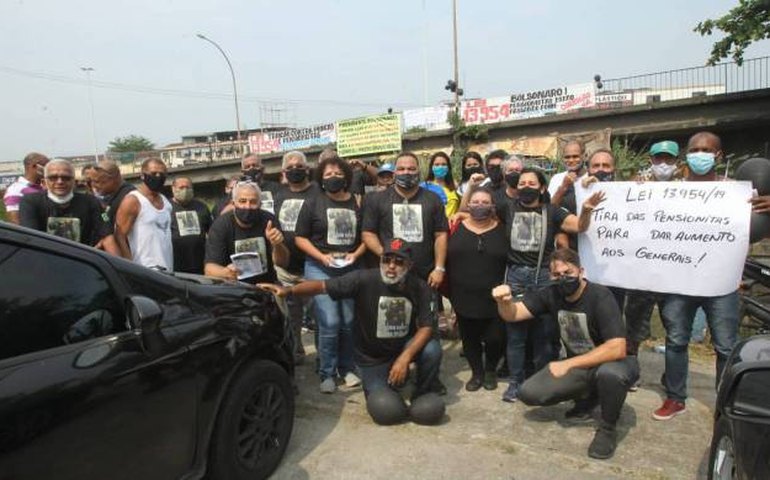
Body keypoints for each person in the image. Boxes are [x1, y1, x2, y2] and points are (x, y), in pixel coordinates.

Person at [263, 238, 443, 424]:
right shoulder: (363, 279)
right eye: (386, 259)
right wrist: (288, 291)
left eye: (399, 262)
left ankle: (422, 391)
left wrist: (405, 358)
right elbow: (322, 286)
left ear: (409, 265)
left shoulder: (420, 287)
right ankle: (389, 381)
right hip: (373, 358)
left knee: (432, 349)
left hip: (402, 348)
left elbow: (426, 327)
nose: (391, 266)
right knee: (388, 412)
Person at [492, 248, 639, 460]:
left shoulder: (600, 296)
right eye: (557, 275)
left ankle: (607, 429)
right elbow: (513, 315)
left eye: (568, 273)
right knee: (529, 393)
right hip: (583, 365)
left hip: (618, 362)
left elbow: (617, 347)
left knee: (609, 375)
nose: (563, 279)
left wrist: (568, 364)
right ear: (550, 276)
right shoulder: (551, 294)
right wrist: (503, 302)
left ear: (581, 271)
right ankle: (589, 396)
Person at [652, 131, 740, 421]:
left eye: (706, 150)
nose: (700, 155)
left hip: (721, 282)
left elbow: (749, 231)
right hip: (681, 281)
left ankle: (726, 404)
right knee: (676, 340)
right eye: (694, 150)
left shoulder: (736, 192)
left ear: (718, 156)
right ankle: (675, 398)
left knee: (725, 346)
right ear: (686, 155)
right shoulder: (672, 191)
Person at [501, 167, 606, 403]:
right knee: (515, 335)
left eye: (531, 183)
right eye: (522, 183)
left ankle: (542, 380)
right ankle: (515, 382)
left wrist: (586, 210)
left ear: (542, 188)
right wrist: (462, 214)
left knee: (545, 334)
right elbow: (477, 213)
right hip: (515, 276)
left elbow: (579, 226)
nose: (526, 187)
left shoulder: (552, 211)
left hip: (544, 277)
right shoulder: (507, 208)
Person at [362, 151, 449, 394]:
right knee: (391, 324)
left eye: (411, 169)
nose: (406, 173)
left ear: (418, 171)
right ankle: (391, 370)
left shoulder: (432, 199)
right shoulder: (377, 200)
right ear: (394, 172)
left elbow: (441, 235)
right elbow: (367, 233)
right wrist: (388, 258)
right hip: (391, 277)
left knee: (429, 329)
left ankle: (429, 377)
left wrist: (439, 267)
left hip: (425, 276)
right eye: (401, 169)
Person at [295, 154, 366, 393]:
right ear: (321, 178)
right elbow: (300, 238)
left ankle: (347, 368)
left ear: (346, 177)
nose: (333, 177)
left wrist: (355, 255)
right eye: (328, 174)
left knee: (348, 321)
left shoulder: (357, 203)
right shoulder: (313, 202)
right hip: (320, 267)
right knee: (329, 321)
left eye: (338, 173)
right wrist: (321, 256)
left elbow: (367, 235)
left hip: (350, 267)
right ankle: (327, 372)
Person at [623, 141, 682, 364]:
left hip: (674, 272)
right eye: (659, 158)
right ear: (651, 160)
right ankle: (629, 371)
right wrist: (631, 188)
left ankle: (674, 377)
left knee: (676, 331)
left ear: (677, 161)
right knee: (633, 329)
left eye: (669, 158)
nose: (664, 163)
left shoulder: (689, 188)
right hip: (642, 272)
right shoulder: (638, 184)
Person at [447, 187, 507, 391]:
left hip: (495, 297)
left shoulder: (503, 230)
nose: (480, 205)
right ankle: (477, 373)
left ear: (492, 206)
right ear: (468, 205)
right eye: (476, 202)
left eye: (485, 202)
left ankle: (490, 370)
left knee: (495, 338)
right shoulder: (454, 226)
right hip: (463, 295)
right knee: (469, 337)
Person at [274, 150, 320, 364]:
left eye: (299, 166)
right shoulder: (279, 196)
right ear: (284, 172)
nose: (295, 170)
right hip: (286, 269)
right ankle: (296, 353)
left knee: (320, 316)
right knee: (291, 319)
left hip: (313, 267)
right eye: (290, 167)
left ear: (307, 169)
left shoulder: (319, 192)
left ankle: (324, 357)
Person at [19, 159, 118, 254]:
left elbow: (107, 234)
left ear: (74, 182)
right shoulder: (30, 202)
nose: (60, 181)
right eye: (53, 178)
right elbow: (31, 239)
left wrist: (117, 264)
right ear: (44, 182)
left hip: (83, 260)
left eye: (66, 178)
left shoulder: (91, 202)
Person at [204, 180, 289, 284]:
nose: (247, 206)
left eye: (253, 202)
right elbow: (209, 269)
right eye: (242, 201)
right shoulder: (220, 226)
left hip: (266, 284)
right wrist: (225, 272)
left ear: (260, 204)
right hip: (234, 286)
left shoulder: (269, 221)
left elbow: (283, 263)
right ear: (233, 204)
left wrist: (277, 244)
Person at [114, 158, 173, 271]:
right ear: (142, 175)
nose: (158, 177)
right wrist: (130, 265)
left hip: (167, 267)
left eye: (162, 174)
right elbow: (119, 236)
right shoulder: (133, 200)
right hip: (144, 268)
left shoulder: (166, 202)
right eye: (153, 173)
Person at [170, 176, 212, 274]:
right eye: (181, 187)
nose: (185, 190)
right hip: (176, 264)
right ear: (173, 189)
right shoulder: (166, 207)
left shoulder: (201, 207)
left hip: (200, 262)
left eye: (188, 187)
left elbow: (211, 232)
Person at [3, 152, 49, 224]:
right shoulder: (16, 190)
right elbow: (15, 222)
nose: (50, 170)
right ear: (35, 166)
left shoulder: (43, 188)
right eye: (47, 167)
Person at [91, 159, 135, 230]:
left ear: (116, 178)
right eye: (91, 181)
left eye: (98, 181)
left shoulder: (128, 198)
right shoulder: (111, 196)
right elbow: (106, 220)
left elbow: (108, 225)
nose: (93, 185)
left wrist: (102, 212)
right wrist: (101, 210)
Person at [549, 140, 587, 214]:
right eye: (567, 157)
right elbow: (549, 208)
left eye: (575, 156)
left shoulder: (591, 178)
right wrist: (564, 186)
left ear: (584, 156)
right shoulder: (556, 179)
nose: (571, 160)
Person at [421, 151, 460, 217]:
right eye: (437, 165)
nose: (440, 167)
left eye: (444, 164)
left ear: (448, 167)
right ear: (431, 167)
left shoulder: (454, 186)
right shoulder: (424, 187)